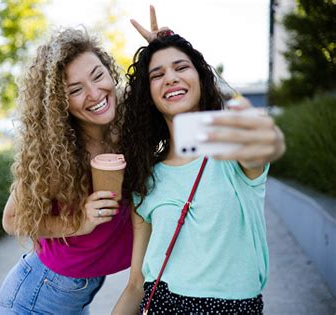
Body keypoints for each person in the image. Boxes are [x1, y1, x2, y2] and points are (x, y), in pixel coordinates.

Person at [113, 21, 286, 315]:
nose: (170, 78)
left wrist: (168, 43)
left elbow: (262, 145)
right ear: (148, 95)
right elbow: (136, 283)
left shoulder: (234, 153)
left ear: (201, 78)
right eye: (158, 74)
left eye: (181, 68)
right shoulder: (146, 178)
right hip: (161, 306)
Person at [0, 27, 134, 315]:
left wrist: (166, 47)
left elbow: (202, 97)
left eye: (98, 75)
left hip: (75, 295)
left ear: (110, 72)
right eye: (75, 89)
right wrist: (79, 222)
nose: (95, 93)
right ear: (60, 102)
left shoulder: (128, 124)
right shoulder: (55, 153)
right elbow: (12, 220)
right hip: (37, 299)